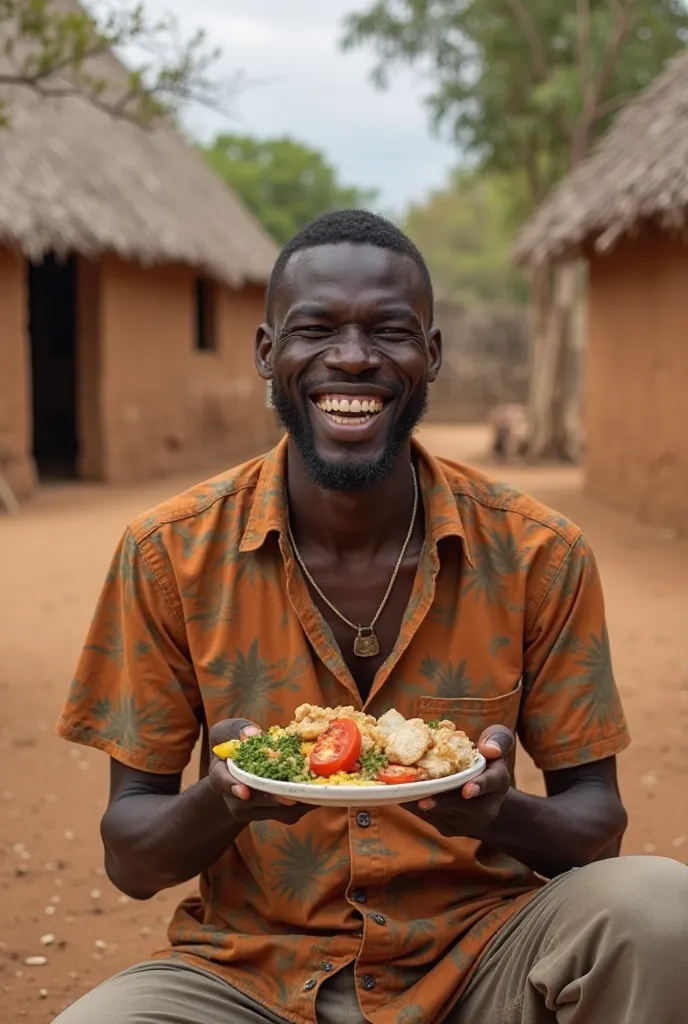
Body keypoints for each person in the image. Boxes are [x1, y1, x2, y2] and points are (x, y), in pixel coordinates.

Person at [53, 211, 688, 1024]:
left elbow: (598, 826)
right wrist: (228, 798)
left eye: (389, 331)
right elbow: (130, 855)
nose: (352, 358)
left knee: (661, 910)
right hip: (252, 978)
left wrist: (500, 809)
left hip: (483, 961)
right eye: (315, 329)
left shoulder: (537, 553)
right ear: (265, 353)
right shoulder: (167, 555)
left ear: (432, 355)